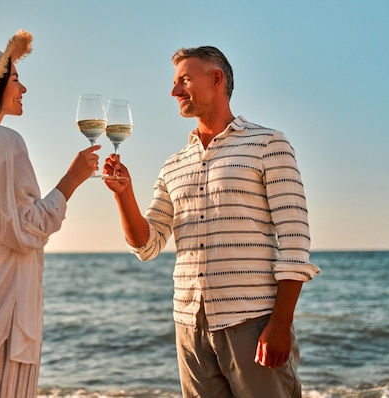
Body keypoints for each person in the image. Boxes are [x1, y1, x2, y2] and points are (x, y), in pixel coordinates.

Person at [103, 45, 320, 397]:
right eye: (174, 83)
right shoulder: (174, 164)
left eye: (184, 80)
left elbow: (295, 240)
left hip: (252, 321)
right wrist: (122, 194)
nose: (174, 92)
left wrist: (281, 324)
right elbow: (148, 244)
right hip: (189, 325)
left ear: (216, 78)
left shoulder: (268, 144)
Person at [0, 30, 100, 398]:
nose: (23, 88)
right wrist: (71, 181)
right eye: (14, 79)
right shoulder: (4, 141)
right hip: (3, 317)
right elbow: (26, 228)